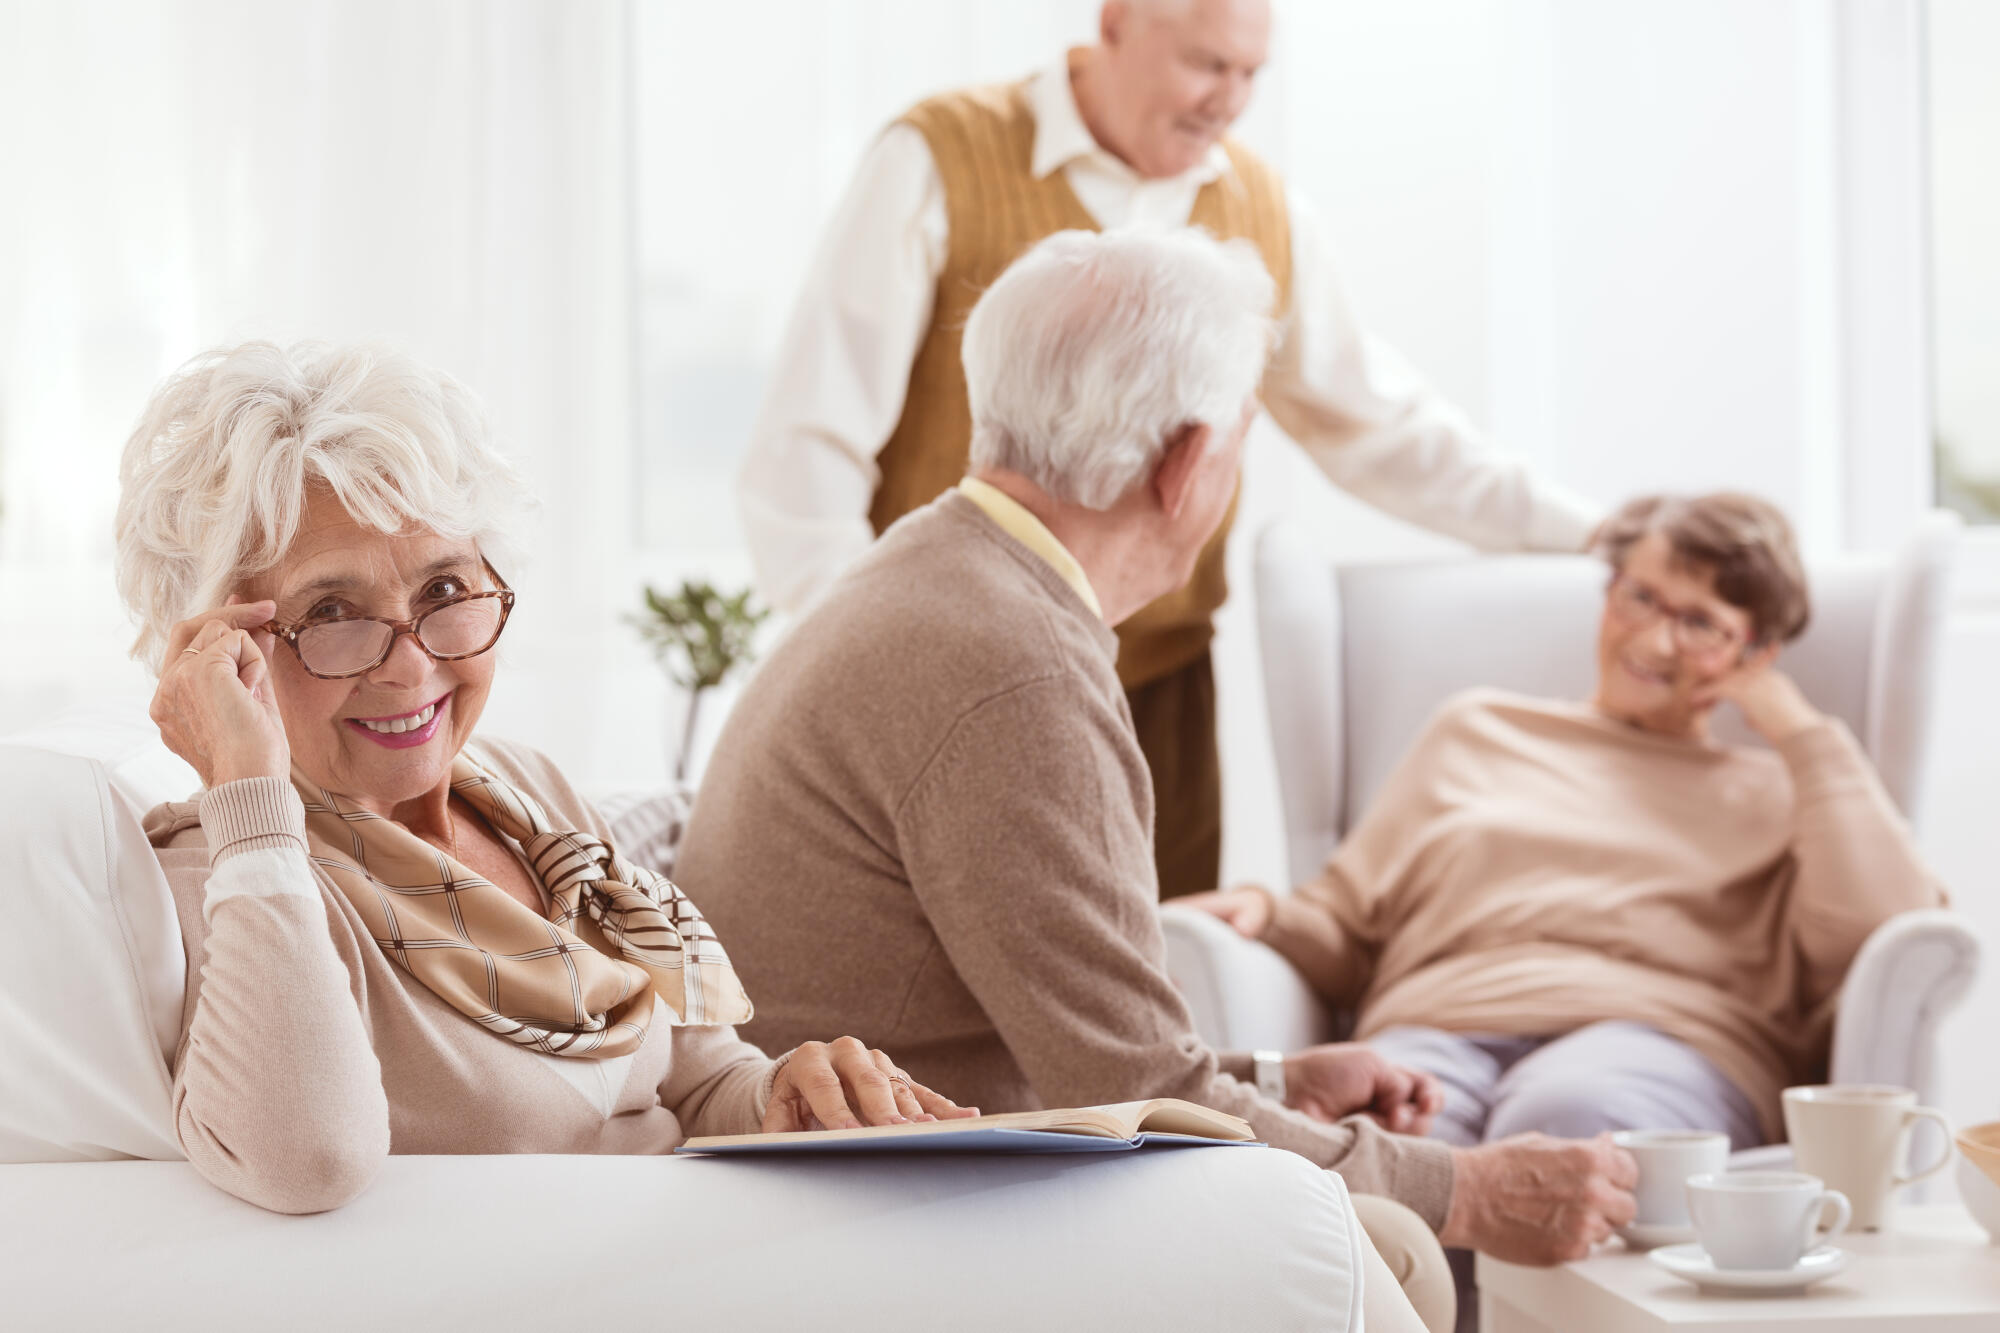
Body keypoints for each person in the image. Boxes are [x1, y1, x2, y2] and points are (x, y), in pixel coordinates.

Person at [680, 229, 1637, 1333]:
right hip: (884, 1211)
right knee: (1398, 1248)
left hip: (855, 1172)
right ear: (1185, 465)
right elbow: (1130, 1082)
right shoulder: (1012, 667)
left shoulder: (936, 575)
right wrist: (1468, 1188)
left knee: (1382, 1239)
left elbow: (1092, 1045)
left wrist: (1274, 1081)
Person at [736, 0, 1601, 901]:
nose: (1229, 100)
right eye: (1206, 63)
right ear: (1115, 23)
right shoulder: (935, 160)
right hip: (940, 671)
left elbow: (1379, 425)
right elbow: (805, 451)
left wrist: (1589, 534)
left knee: (1150, 977)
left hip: (1154, 684)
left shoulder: (1264, 209)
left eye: (1251, 74)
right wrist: (864, 664)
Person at [114, 341, 974, 1218]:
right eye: (328, 612)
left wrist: (790, 1092)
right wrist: (248, 800)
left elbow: (701, 1080)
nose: (411, 668)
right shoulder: (233, 876)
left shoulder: (528, 795)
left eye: (444, 587)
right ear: (217, 647)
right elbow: (308, 1157)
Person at [1182, 492, 1950, 1156]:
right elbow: (1346, 928)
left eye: (1701, 624)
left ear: (1756, 653)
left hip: (1657, 1044)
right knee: (1385, 1146)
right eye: (1641, 597)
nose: (1653, 641)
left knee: (1571, 1123)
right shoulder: (1478, 730)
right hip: (1437, 1030)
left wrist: (1799, 730)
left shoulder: (1786, 794)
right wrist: (1270, 914)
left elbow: (1881, 930)